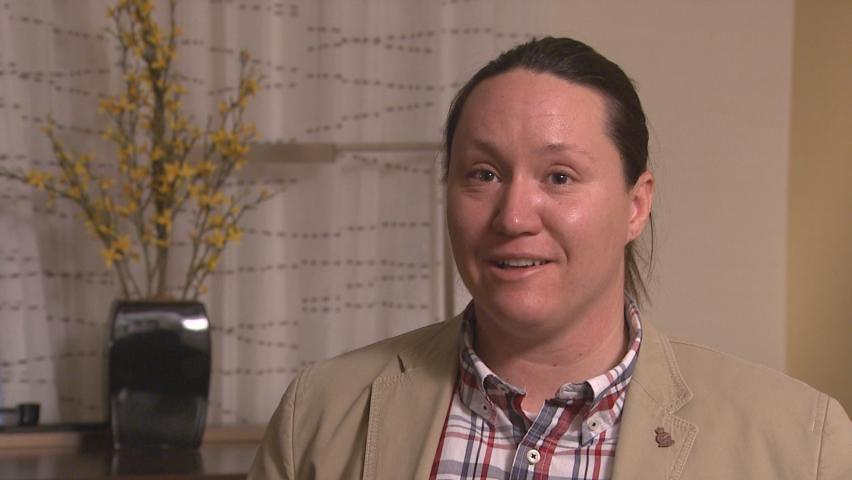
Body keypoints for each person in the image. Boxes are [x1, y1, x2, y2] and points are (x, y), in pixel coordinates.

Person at [249, 37, 851, 479]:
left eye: (559, 176)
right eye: (483, 174)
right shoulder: (319, 417)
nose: (513, 217)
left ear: (636, 206)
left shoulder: (802, 444)